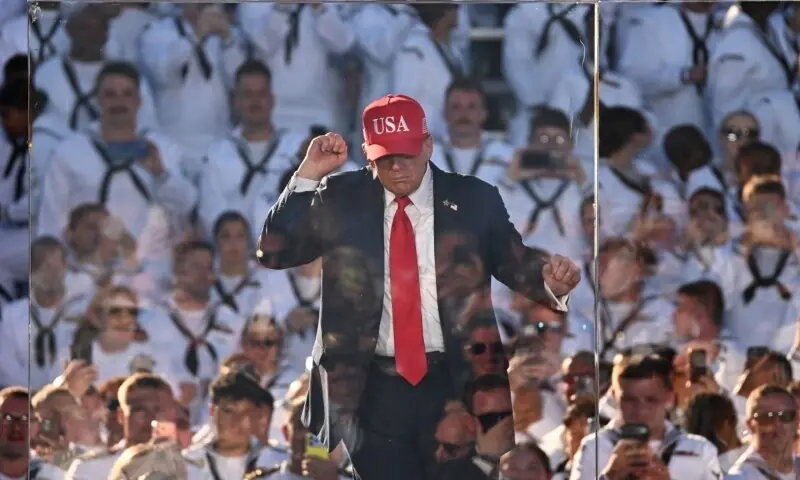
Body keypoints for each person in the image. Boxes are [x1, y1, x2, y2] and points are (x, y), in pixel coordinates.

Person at [257, 93, 581, 480]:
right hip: (370, 386)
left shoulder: (474, 198)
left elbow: (513, 261)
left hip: (458, 380)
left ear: (428, 145)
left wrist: (549, 280)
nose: (396, 167)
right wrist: (309, 173)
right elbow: (275, 253)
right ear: (366, 152)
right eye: (384, 156)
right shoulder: (340, 198)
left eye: (406, 153)